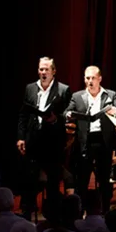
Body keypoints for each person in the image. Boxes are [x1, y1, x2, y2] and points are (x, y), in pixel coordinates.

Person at [17, 57, 72, 219]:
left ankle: (53, 217)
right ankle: (27, 214)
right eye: (41, 69)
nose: (43, 72)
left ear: (53, 71)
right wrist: (21, 137)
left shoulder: (63, 89)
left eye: (46, 69)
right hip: (33, 141)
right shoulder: (30, 88)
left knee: (53, 181)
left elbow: (67, 116)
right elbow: (23, 114)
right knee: (29, 179)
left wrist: (56, 119)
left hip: (52, 143)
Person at [64, 66, 116, 207]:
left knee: (103, 179)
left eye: (93, 78)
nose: (90, 81)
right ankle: (80, 211)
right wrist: (68, 115)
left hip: (103, 141)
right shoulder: (77, 96)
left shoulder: (110, 95)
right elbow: (67, 112)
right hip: (85, 142)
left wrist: (115, 110)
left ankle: (105, 210)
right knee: (82, 179)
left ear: (100, 79)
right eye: (87, 78)